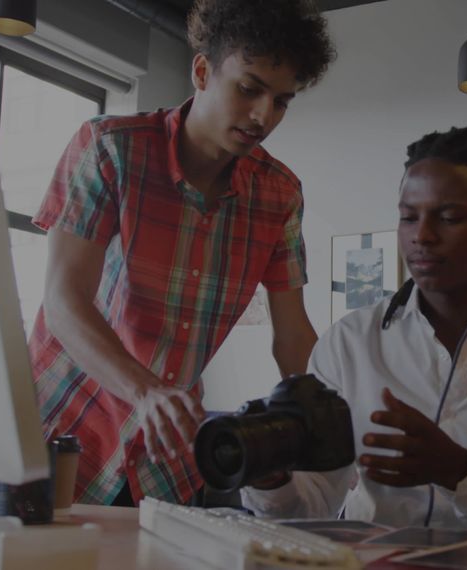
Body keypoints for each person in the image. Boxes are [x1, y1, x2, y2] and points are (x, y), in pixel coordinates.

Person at [29, 0, 335, 506]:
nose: (263, 115)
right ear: (200, 71)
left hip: (165, 458)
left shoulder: (280, 194)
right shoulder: (109, 149)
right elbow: (65, 303)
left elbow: (293, 334)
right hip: (59, 434)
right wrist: (146, 392)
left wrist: (326, 416)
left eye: (282, 101)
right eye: (248, 88)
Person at [240, 127, 467, 532]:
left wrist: (461, 473)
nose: (421, 236)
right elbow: (312, 505)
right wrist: (272, 480)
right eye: (408, 217)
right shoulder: (350, 343)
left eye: (448, 218)